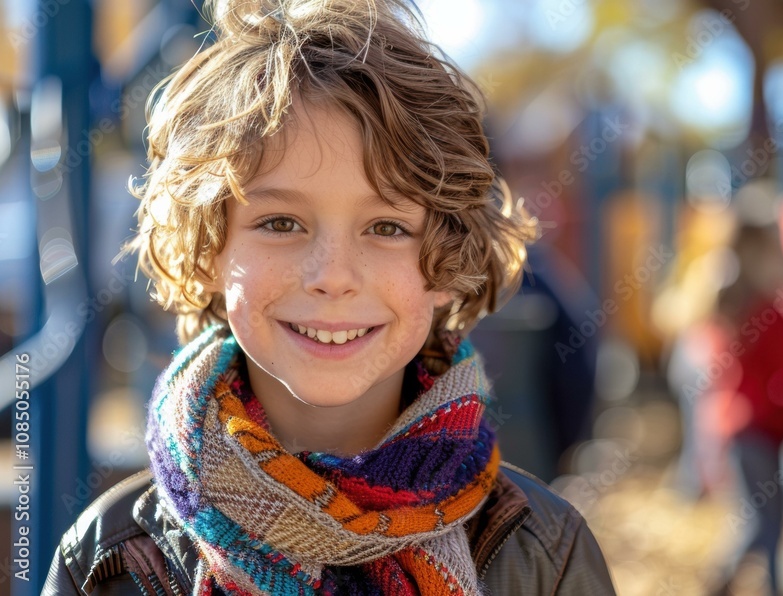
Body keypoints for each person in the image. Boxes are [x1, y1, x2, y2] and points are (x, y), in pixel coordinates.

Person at [43, 0, 616, 593]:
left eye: (386, 227)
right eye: (282, 223)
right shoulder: (112, 559)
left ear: (447, 261)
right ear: (208, 247)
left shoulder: (543, 554)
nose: (332, 276)